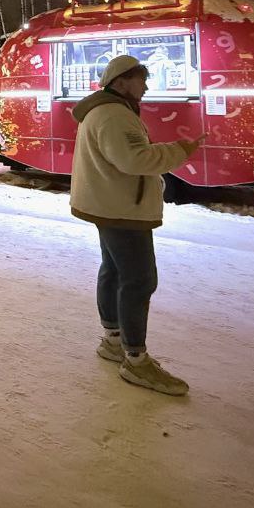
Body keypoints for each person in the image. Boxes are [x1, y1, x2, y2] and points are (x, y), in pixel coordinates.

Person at [69, 55, 203, 397]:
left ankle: (114, 341)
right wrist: (179, 150)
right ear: (122, 81)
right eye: (141, 79)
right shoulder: (114, 114)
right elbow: (134, 160)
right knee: (139, 279)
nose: (146, 86)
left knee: (114, 270)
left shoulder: (103, 110)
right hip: (122, 208)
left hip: (109, 204)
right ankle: (135, 360)